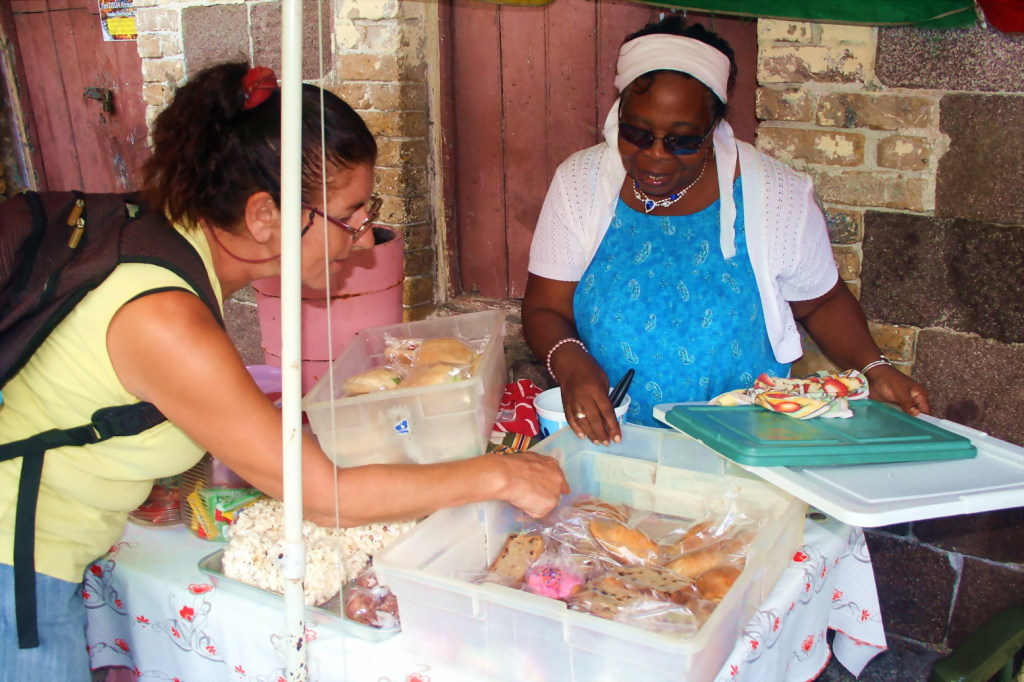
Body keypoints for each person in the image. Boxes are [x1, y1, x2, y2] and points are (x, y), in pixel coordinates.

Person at [0, 62, 568, 680]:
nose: (362, 237)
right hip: (18, 564)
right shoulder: (163, 317)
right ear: (267, 216)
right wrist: (501, 474)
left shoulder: (163, 237)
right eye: (350, 214)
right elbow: (324, 498)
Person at [522, 16, 931, 446]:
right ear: (618, 114)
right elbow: (544, 309)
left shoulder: (775, 194)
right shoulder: (580, 183)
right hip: (612, 443)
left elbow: (822, 301)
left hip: (743, 445)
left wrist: (875, 368)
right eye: (637, 134)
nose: (655, 157)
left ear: (713, 127)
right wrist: (570, 362)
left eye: (681, 140)